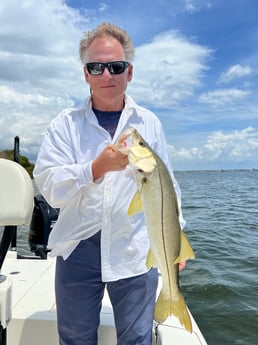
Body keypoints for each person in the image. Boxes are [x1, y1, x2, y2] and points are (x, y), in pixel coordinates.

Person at [33, 22, 186, 345]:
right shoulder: (65, 125)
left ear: (129, 73)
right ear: (85, 74)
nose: (106, 75)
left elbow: (168, 185)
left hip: (135, 246)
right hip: (78, 247)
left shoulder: (149, 123)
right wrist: (95, 168)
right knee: (75, 339)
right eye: (96, 67)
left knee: (137, 338)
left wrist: (176, 238)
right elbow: (49, 186)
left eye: (116, 67)